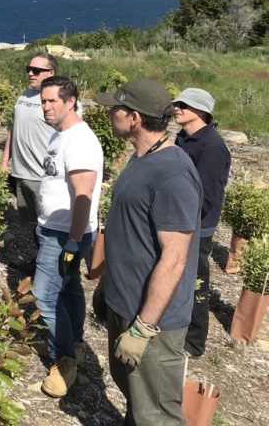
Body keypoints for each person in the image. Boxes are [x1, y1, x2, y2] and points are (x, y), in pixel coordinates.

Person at [96, 79, 202, 426]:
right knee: (137, 401)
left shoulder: (173, 175)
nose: (110, 112)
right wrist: (108, 286)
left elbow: (175, 259)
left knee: (156, 415)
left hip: (152, 322)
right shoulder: (142, 157)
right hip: (126, 304)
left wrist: (143, 329)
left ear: (135, 118)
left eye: (117, 108)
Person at [32, 76, 103, 398]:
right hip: (55, 229)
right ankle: (73, 343)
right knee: (70, 287)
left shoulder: (79, 141)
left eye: (52, 101)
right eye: (43, 101)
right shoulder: (60, 133)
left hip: (64, 235)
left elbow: (83, 196)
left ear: (71, 101)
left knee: (44, 296)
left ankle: (64, 360)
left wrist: (73, 242)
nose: (46, 107)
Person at [173, 88, 231, 358]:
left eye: (184, 105)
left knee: (195, 281)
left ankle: (194, 342)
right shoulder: (183, 137)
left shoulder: (212, 148)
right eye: (177, 103)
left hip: (198, 226)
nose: (177, 108)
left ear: (201, 111)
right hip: (178, 219)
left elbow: (207, 197)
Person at [1, 52, 57, 249]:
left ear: (51, 73)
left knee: (49, 226)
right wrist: (4, 160)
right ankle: (37, 261)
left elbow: (71, 134)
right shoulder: (24, 95)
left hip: (42, 176)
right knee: (34, 224)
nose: (31, 74)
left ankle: (50, 265)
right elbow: (14, 128)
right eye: (29, 69)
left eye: (36, 70)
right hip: (21, 173)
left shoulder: (60, 100)